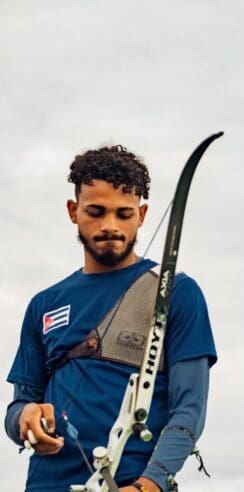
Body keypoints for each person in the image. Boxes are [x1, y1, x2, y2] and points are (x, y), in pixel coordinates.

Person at [5, 145, 217, 492]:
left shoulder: (177, 292)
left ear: (143, 214)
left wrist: (150, 484)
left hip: (130, 482)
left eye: (123, 214)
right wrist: (25, 420)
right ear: (73, 211)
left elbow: (188, 409)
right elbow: (18, 407)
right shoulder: (43, 304)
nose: (109, 226)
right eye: (96, 211)